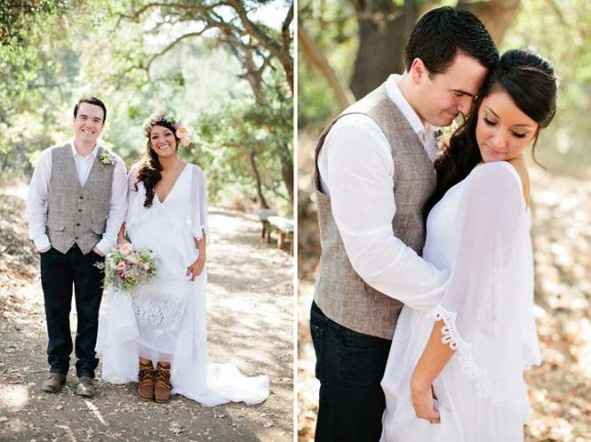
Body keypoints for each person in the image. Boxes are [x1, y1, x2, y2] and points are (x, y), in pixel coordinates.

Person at [309, 7, 498, 441]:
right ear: (418, 70)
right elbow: (374, 255)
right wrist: (456, 297)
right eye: (458, 93)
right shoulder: (362, 133)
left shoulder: (427, 123)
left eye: (472, 98)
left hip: (405, 329)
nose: (465, 108)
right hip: (355, 335)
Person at [380, 49, 558, 441]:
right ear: (477, 106)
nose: (497, 141)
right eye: (490, 121)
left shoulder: (496, 180)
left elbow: (467, 294)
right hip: (448, 349)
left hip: (447, 364)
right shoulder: (499, 171)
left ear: (537, 132)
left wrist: (421, 379)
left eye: (519, 133)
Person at [96, 113, 269, 406]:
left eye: (166, 135)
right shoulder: (138, 172)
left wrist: (202, 256)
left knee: (173, 312)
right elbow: (124, 215)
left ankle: (164, 370)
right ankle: (144, 369)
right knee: (141, 310)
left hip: (178, 253)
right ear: (149, 142)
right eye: (155, 137)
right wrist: (123, 245)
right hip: (142, 254)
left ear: (177, 137)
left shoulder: (194, 174)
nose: (161, 141)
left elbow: (200, 220)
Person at [26, 96, 128, 397]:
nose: (89, 124)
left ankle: (85, 371)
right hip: (54, 246)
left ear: (102, 125)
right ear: (74, 120)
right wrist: (41, 240)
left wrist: (106, 243)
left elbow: (118, 207)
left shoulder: (114, 163)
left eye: (96, 120)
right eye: (84, 117)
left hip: (92, 249)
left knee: (89, 312)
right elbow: (36, 199)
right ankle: (57, 368)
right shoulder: (51, 156)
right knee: (55, 309)